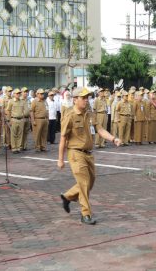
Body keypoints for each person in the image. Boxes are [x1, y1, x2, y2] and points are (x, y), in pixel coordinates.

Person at [57, 87, 122, 225]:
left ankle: (67, 197)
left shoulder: (90, 114)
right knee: (84, 182)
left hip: (88, 154)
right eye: (83, 98)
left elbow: (100, 129)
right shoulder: (70, 116)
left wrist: (113, 138)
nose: (86, 100)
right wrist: (60, 159)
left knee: (90, 182)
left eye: (87, 97)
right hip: (75, 153)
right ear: (75, 100)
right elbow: (63, 138)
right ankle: (85, 214)